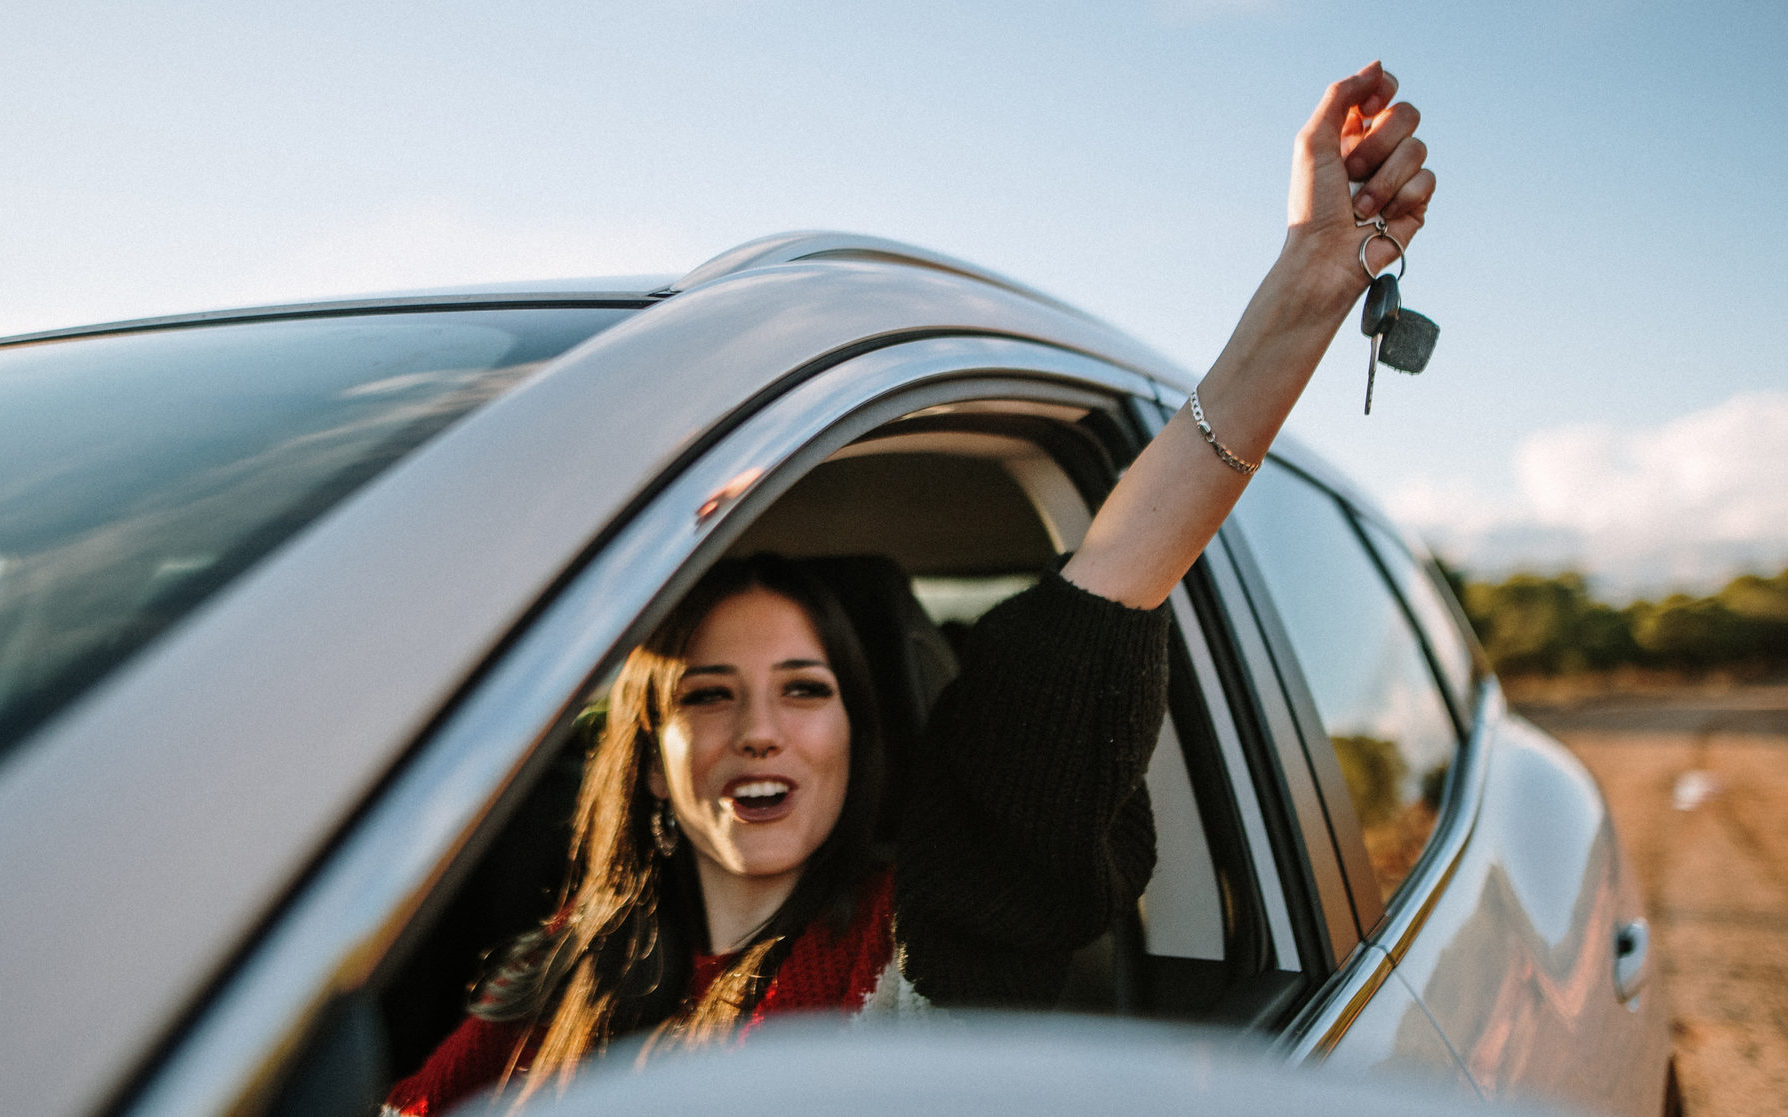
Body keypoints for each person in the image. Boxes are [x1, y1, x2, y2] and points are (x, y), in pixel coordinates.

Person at [384, 60, 1435, 1114]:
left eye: (804, 687)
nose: (759, 730)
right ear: (646, 758)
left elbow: (1101, 599)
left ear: (856, 729)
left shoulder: (925, 940)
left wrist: (1308, 282)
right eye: (707, 693)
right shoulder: (560, 961)